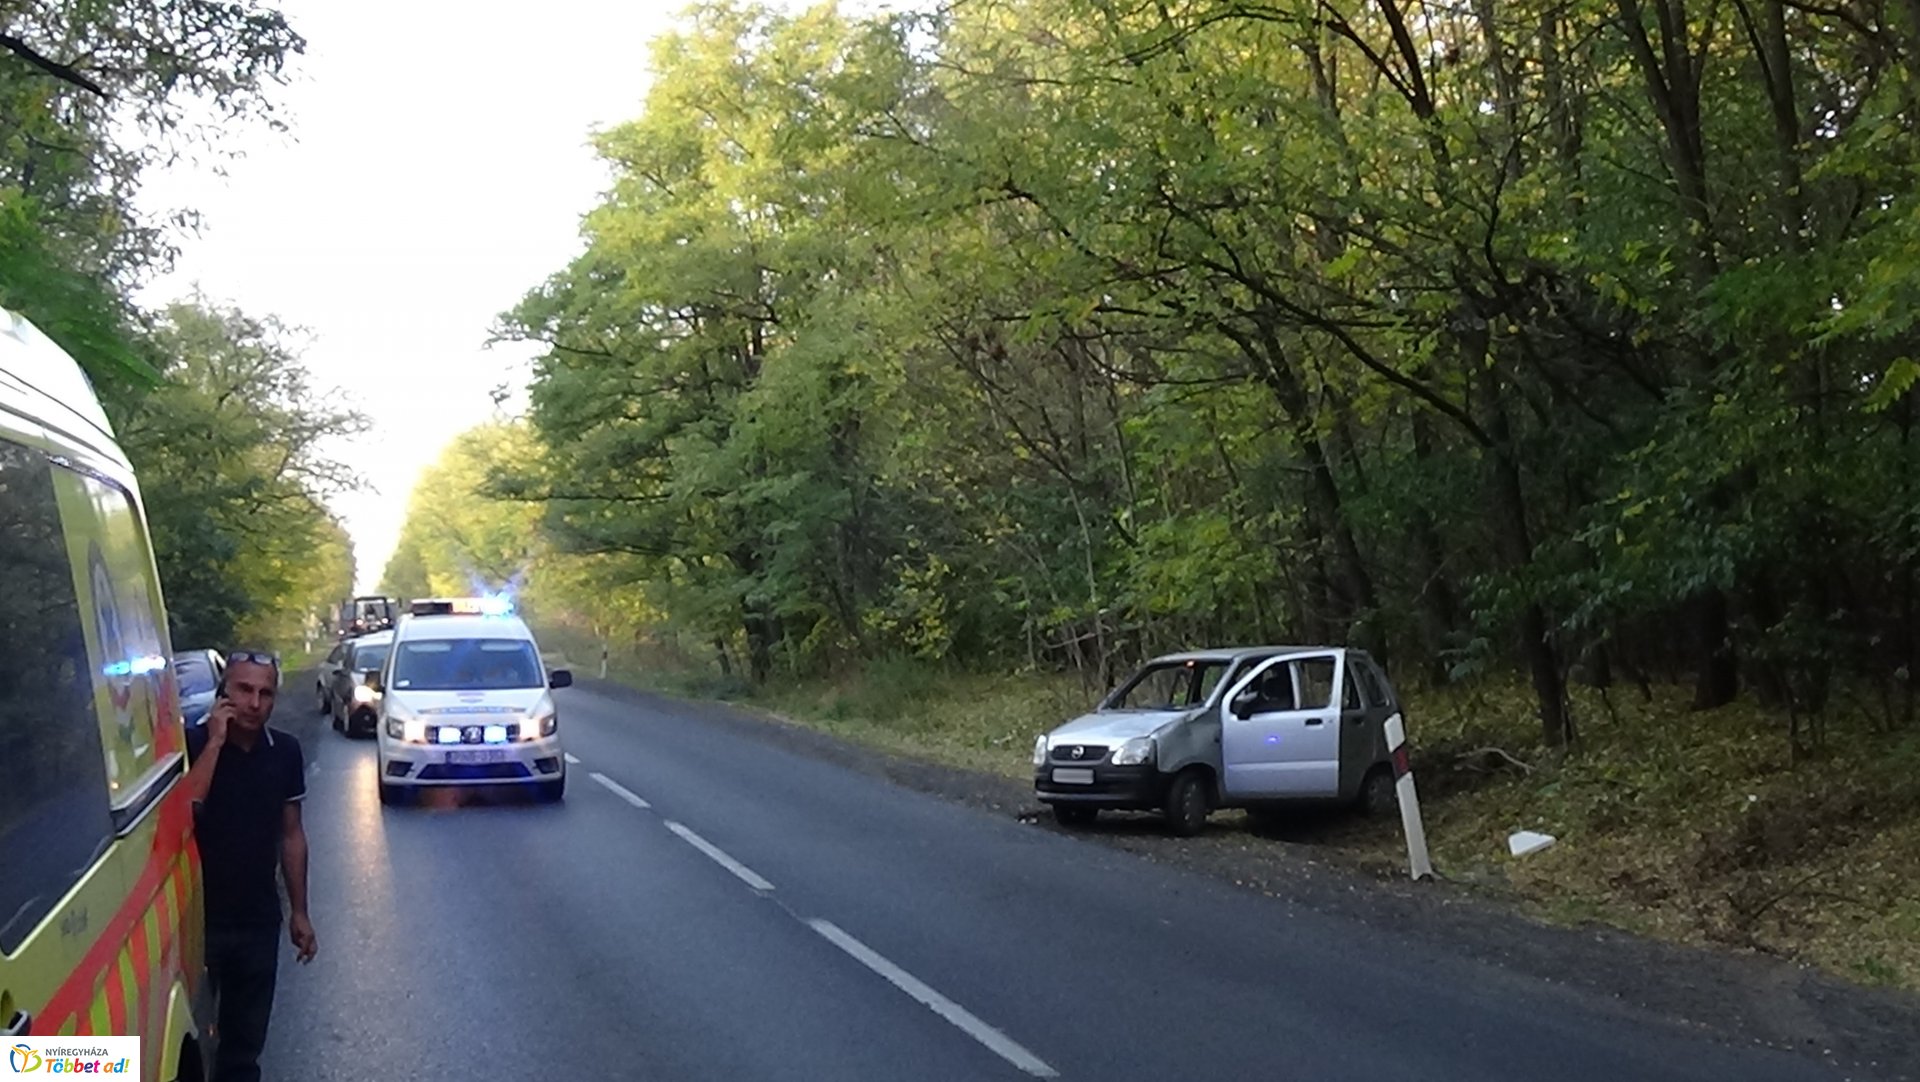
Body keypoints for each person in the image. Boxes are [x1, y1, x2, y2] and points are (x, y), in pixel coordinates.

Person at [184, 650, 316, 1082]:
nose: (255, 703)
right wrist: (216, 740)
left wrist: (299, 911)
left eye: (265, 693)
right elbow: (187, 808)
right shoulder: (192, 745)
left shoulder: (285, 752)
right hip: (197, 923)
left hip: (257, 920)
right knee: (191, 1045)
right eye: (243, 690)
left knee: (243, 1051)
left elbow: (291, 835)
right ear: (223, 693)